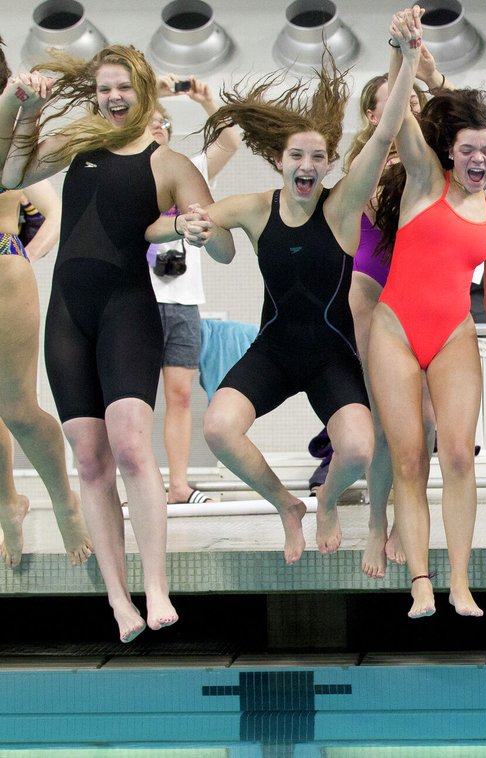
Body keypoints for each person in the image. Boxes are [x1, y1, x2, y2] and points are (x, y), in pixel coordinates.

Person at [3, 45, 234, 641]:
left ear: (143, 93)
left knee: (132, 447)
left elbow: (221, 238)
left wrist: (198, 227)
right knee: (88, 457)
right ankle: (117, 599)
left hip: (129, 310)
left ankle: (155, 586)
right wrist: (22, 109)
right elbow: (7, 174)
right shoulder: (76, 146)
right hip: (67, 317)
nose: (111, 99)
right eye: (103, 89)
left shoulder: (171, 162)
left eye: (122, 89)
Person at [197, 11, 423, 566]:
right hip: (272, 352)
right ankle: (285, 504)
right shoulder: (254, 208)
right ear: (278, 160)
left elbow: (387, 129)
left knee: (357, 449)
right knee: (219, 429)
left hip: (330, 356)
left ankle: (324, 499)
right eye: (297, 155)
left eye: (318, 157)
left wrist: (406, 56)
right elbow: (195, 215)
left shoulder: (343, 206)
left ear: (328, 164)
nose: (307, 165)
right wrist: (191, 228)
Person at [368, 14, 486, 620]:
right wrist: (401, 54)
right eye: (470, 149)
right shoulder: (425, 179)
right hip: (394, 330)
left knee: (458, 455)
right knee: (408, 456)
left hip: (455, 332)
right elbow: (396, 117)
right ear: (450, 152)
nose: (479, 159)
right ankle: (421, 579)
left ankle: (459, 580)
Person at [341, 51, 447, 579]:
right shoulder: (366, 165)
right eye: (393, 105)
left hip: (420, 297)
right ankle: (377, 520)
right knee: (388, 424)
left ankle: (410, 512)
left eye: (412, 103)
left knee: (424, 421)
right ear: (371, 116)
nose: (405, 112)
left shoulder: (431, 160)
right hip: (373, 297)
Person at [0, 45, 91, 570]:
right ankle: (8, 502)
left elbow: (52, 208)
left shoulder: (9, 126)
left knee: (16, 407)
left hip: (4, 269)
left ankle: (63, 498)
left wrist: (31, 251)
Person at [146, 75, 243, 507]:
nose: (154, 129)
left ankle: (179, 485)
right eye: (146, 122)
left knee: (180, 394)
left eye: (160, 124)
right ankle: (137, 484)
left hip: (182, 300)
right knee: (131, 397)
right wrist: (151, 94)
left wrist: (206, 101)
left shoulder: (187, 170)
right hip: (138, 300)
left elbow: (229, 142)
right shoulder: (124, 174)